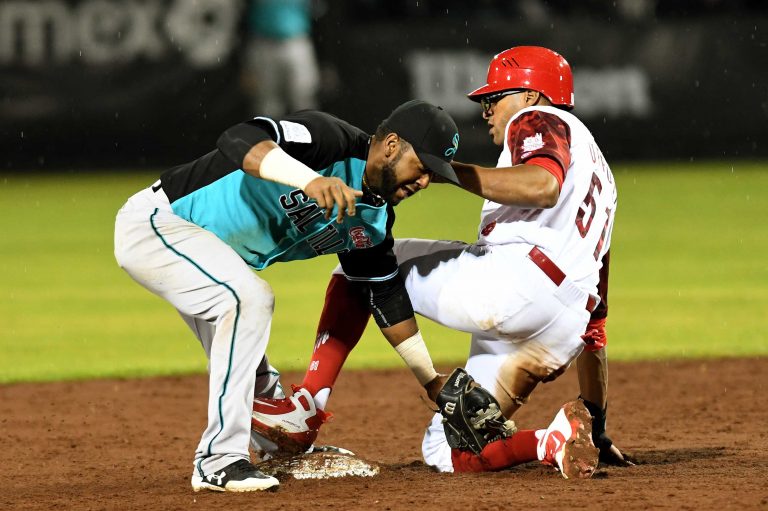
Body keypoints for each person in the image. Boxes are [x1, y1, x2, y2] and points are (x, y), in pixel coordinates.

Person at [251, 46, 633, 477]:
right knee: (445, 451)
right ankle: (552, 439)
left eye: (495, 98)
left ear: (529, 96)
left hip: (512, 283)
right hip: (560, 329)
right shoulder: (601, 175)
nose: (487, 111)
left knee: (356, 266)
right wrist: (597, 425)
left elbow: (543, 185)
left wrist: (447, 169)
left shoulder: (542, 120)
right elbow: (595, 320)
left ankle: (308, 404)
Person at [113, 99, 461, 492]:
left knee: (255, 363)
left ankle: (276, 449)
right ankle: (218, 459)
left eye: (434, 174)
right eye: (424, 166)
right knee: (248, 300)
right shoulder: (330, 140)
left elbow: (385, 296)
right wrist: (309, 180)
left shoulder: (373, 220)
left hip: (208, 251)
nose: (425, 182)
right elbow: (239, 138)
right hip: (161, 222)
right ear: (392, 145)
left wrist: (431, 381)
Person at [241, 0, 320, 118]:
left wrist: (325, 59)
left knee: (303, 100)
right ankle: (270, 135)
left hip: (297, 42)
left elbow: (319, 14)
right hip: (262, 43)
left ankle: (306, 134)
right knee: (266, 104)